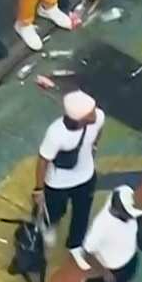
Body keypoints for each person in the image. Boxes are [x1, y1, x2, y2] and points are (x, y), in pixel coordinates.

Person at [34, 91, 105, 268]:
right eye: (90, 111)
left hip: (86, 177)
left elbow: (99, 130)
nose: (95, 112)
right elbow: (43, 160)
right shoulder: (56, 134)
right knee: (55, 211)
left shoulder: (99, 117)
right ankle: (48, 227)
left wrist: (94, 146)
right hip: (57, 183)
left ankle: (75, 245)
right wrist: (38, 189)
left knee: (82, 213)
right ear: (79, 118)